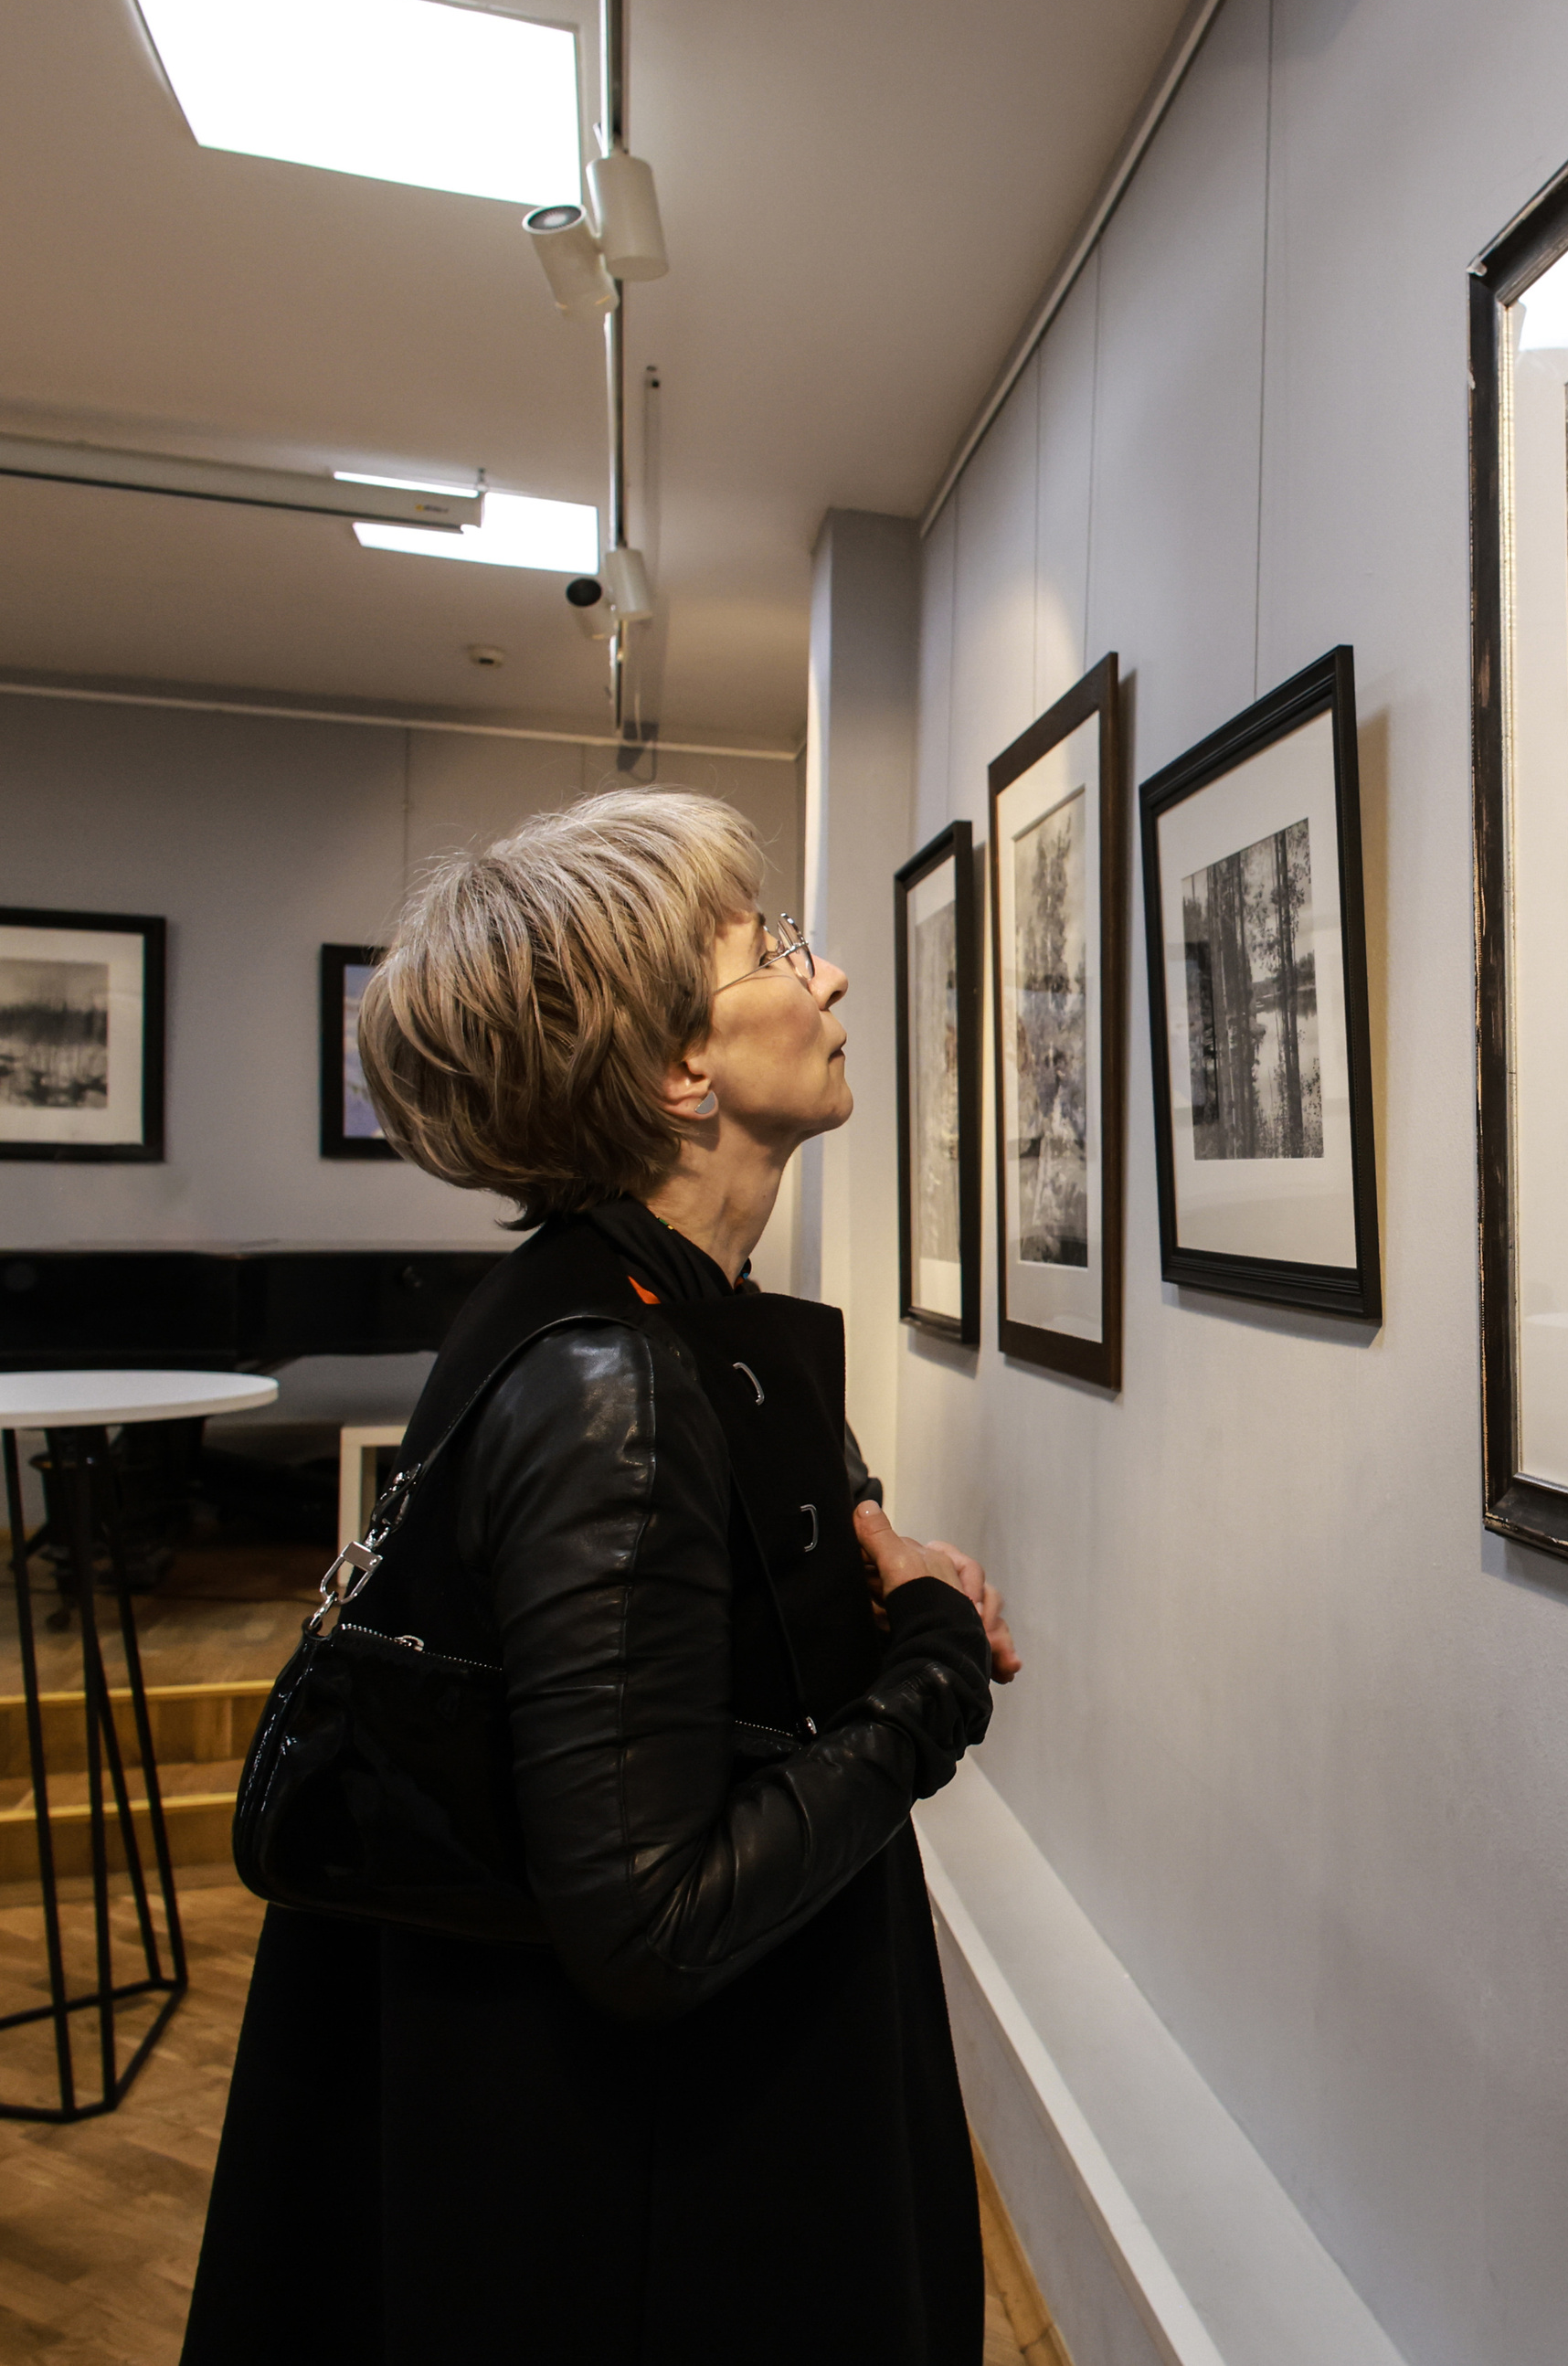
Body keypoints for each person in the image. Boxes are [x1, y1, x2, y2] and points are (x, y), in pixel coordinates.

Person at [184, 787, 1019, 2365]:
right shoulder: (612, 1382)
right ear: (673, 1067)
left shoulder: (638, 1307)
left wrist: (870, 1560)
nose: (828, 977)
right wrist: (932, 1680)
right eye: (771, 948)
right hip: (646, 2194)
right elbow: (650, 1923)